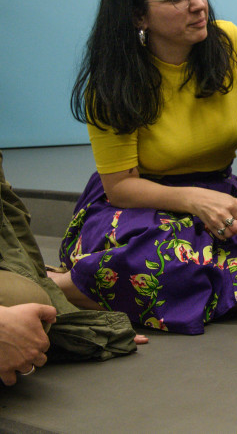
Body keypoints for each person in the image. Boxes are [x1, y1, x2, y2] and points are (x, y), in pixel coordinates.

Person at [51, 0, 237, 334]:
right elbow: (121, 187)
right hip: (140, 205)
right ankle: (53, 287)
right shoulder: (113, 82)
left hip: (220, 197)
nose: (198, 4)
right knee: (169, 266)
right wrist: (194, 199)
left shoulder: (229, 43)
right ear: (138, 15)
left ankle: (93, 291)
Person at [2, 150, 143, 385]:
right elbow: (119, 187)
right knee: (25, 302)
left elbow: (9, 221)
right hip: (127, 203)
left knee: (30, 303)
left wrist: (70, 316)